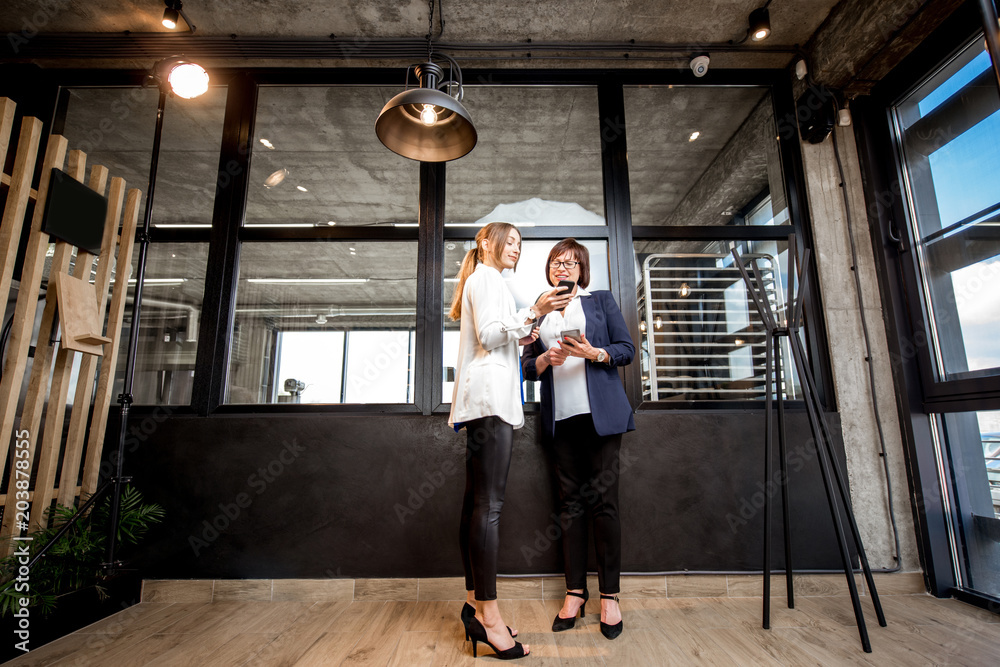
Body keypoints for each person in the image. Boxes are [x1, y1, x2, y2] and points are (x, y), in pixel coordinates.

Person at [449, 221, 571, 659]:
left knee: (476, 505)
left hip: (485, 401)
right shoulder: (487, 278)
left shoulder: (486, 282)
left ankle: (471, 605)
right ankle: (489, 616)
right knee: (489, 507)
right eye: (510, 242)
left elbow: (496, 337)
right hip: (491, 402)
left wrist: (524, 329)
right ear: (486, 244)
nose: (517, 249)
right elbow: (488, 335)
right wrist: (534, 313)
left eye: (521, 244)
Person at [520, 238, 635, 641]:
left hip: (601, 418)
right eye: (556, 262)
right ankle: (574, 593)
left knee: (605, 505)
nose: (563, 268)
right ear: (550, 270)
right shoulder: (539, 311)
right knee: (569, 507)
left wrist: (593, 352)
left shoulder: (600, 302)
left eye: (571, 262)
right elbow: (526, 368)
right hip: (561, 420)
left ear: (582, 270)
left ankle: (609, 596)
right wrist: (543, 359)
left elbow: (626, 349)